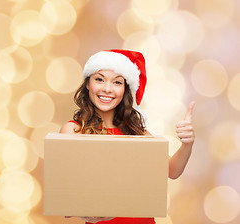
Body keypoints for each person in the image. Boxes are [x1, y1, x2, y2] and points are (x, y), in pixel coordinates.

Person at [60, 49, 195, 224]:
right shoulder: (73, 131)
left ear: (125, 89)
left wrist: (187, 143)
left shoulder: (137, 132)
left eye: (117, 82)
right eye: (99, 79)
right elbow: (66, 191)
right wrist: (84, 210)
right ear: (87, 84)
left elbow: (172, 170)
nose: (107, 89)